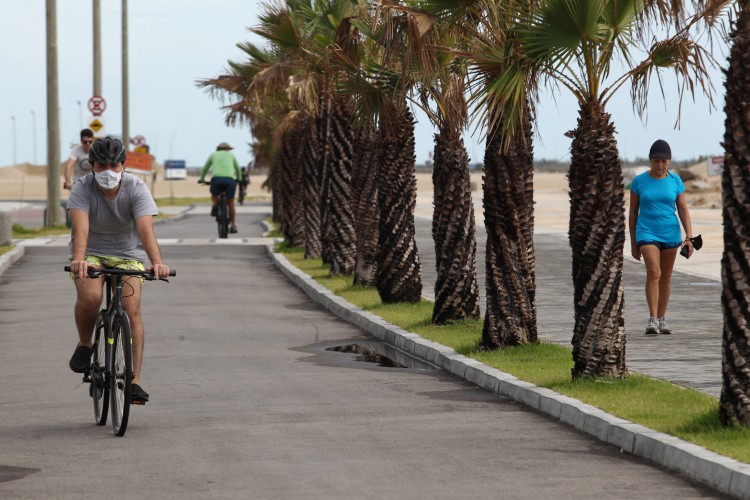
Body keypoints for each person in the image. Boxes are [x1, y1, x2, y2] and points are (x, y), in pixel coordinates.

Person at [67, 136, 170, 404]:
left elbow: (146, 230)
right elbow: (81, 229)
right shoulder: (82, 187)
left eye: (114, 166)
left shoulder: (137, 188)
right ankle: (85, 344)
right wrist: (79, 259)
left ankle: (134, 381)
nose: (108, 172)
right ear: (92, 166)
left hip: (128, 255)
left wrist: (157, 262)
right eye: (102, 166)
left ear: (124, 165)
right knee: (90, 296)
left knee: (131, 309)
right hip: (91, 252)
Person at [628, 139, 694, 335]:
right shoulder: (639, 181)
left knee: (666, 276)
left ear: (669, 161)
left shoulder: (675, 181)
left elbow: (683, 209)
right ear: (650, 161)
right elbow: (633, 212)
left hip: (670, 232)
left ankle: (662, 319)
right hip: (646, 231)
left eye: (664, 161)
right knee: (654, 272)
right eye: (656, 161)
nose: (660, 165)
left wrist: (689, 237)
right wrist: (633, 242)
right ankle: (652, 319)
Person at [199, 142, 242, 233]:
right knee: (231, 203)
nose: (229, 150)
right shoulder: (231, 155)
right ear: (225, 148)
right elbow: (238, 168)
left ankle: (215, 205)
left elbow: (205, 168)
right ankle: (233, 225)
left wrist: (202, 179)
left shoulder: (213, 155)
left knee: (214, 195)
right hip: (230, 181)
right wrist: (239, 179)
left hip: (216, 180)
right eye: (228, 149)